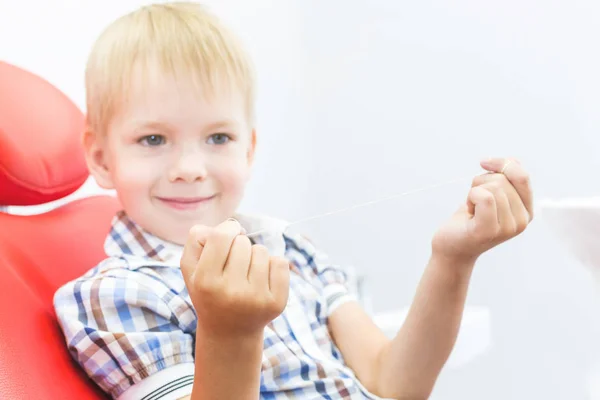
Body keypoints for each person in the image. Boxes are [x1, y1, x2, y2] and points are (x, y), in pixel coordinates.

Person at [53, 2, 534, 399]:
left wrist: (453, 258)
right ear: (99, 156)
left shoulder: (292, 251)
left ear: (250, 148)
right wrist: (231, 331)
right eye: (154, 139)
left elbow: (395, 385)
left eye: (218, 137)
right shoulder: (114, 296)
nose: (191, 167)